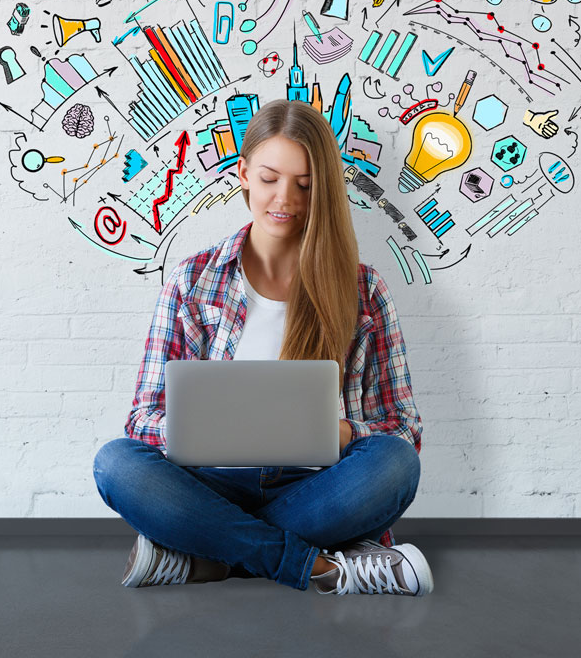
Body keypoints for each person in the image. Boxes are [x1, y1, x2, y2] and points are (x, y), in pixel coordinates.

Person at [91, 99, 431, 596]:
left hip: (315, 486)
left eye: (305, 184)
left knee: (396, 467)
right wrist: (196, 426)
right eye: (270, 178)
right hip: (212, 484)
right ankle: (322, 567)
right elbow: (142, 421)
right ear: (244, 173)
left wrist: (336, 432)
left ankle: (210, 554)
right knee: (115, 464)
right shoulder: (193, 280)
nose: (285, 199)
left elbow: (403, 431)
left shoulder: (363, 289)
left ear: (325, 190)